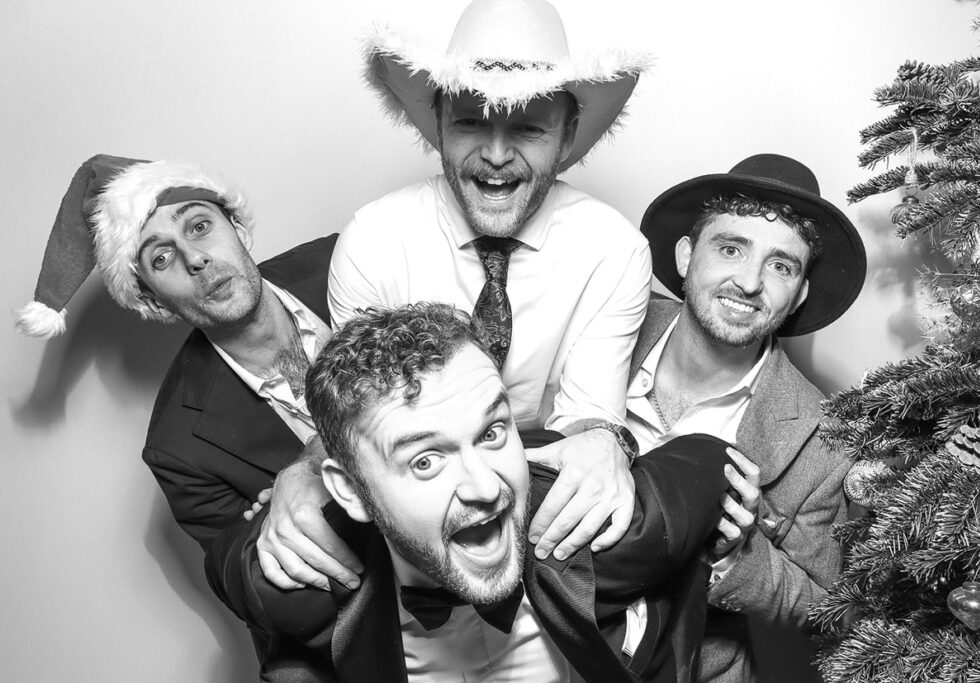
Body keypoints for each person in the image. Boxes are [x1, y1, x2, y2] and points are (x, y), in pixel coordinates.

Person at [257, 0, 654, 595]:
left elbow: (585, 422)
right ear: (437, 122)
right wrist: (304, 467)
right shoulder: (375, 239)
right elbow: (365, 416)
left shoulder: (615, 248)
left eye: (527, 127)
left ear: (568, 134)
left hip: (539, 491)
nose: (495, 156)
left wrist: (603, 440)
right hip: (413, 500)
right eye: (470, 122)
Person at [208, 303, 737, 682]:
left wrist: (604, 439)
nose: (486, 487)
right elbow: (226, 566)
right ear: (350, 492)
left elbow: (706, 460)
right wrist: (288, 484)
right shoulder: (302, 584)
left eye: (491, 433)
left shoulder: (597, 530)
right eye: (425, 460)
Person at [15, 154, 344, 665]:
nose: (195, 258)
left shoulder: (352, 259)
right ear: (153, 301)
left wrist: (303, 475)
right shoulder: (178, 448)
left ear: (236, 227)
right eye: (161, 259)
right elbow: (276, 602)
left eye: (199, 226)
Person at [631, 154, 867, 682]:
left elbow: (826, 606)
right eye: (731, 248)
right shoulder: (603, 321)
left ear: (800, 291)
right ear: (687, 255)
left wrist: (738, 555)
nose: (750, 282)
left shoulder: (824, 440)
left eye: (781, 265)